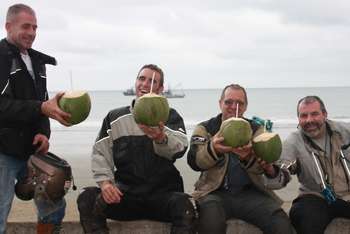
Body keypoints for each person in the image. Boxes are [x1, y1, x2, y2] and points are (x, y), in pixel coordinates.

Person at [77, 64, 195, 234]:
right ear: (136, 82)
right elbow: (100, 153)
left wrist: (161, 138)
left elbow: (180, 148)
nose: (145, 84)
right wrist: (105, 183)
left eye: (152, 81)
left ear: (160, 89)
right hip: (125, 196)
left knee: (187, 204)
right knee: (87, 198)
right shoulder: (114, 117)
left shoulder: (171, 116)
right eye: (141, 79)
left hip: (163, 196)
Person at [0, 3, 71, 234]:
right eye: (26, 26)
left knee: (54, 197)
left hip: (31, 150)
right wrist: (41, 107)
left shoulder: (37, 61)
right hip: (3, 151)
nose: (31, 32)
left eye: (35, 27)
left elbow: (44, 103)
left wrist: (44, 132)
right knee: (1, 210)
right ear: (8, 26)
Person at [187, 84, 294, 234]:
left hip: (251, 193)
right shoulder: (205, 128)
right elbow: (194, 161)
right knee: (210, 223)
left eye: (239, 103)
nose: (233, 107)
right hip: (214, 192)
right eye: (228, 102)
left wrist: (248, 158)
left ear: (245, 107)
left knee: (280, 223)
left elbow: (268, 166)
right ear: (220, 104)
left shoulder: (256, 130)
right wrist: (213, 149)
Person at [280, 96, 350, 234]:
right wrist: (271, 171)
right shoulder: (293, 142)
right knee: (303, 217)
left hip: (347, 195)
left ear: (324, 114)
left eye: (314, 114)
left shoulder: (344, 132)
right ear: (298, 118)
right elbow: (281, 173)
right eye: (303, 115)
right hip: (316, 197)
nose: (309, 120)